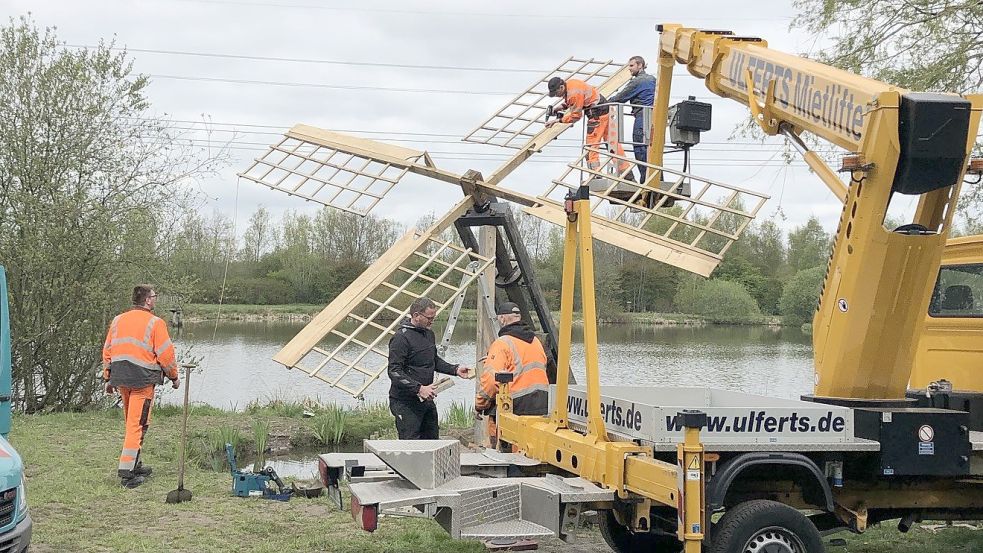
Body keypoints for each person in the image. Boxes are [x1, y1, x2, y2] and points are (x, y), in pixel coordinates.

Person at [102, 285, 179, 489]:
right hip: (142, 381)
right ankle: (127, 473)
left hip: (121, 378)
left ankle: (135, 464)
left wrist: (108, 377)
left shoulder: (118, 320)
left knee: (132, 422)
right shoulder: (155, 323)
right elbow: (166, 355)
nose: (155, 299)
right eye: (154, 296)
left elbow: (108, 350)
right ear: (147, 300)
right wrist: (174, 377)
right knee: (137, 425)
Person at [387, 297, 471, 440]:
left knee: (432, 442)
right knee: (411, 446)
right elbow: (394, 371)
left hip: (426, 399)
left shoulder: (429, 334)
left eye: (434, 317)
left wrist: (455, 369)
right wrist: (419, 388)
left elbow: (433, 360)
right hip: (405, 402)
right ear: (416, 316)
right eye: (429, 318)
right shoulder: (401, 338)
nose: (432, 321)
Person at [475, 302, 550, 445]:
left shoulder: (502, 343)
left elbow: (491, 382)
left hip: (514, 406)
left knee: (508, 452)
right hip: (542, 403)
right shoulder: (536, 341)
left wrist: (480, 404)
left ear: (502, 319)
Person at [546, 76, 633, 180]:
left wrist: (557, 121)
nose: (556, 96)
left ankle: (595, 175)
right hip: (606, 111)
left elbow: (575, 116)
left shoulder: (573, 94)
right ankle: (627, 174)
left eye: (556, 93)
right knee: (613, 144)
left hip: (597, 116)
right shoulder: (572, 83)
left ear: (561, 87)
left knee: (591, 147)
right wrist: (558, 108)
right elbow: (575, 99)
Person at [608, 55, 656, 182]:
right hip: (654, 118)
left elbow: (621, 97)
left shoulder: (637, 81)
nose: (629, 69)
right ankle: (657, 179)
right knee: (653, 151)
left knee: (640, 149)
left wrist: (605, 102)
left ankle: (645, 180)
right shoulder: (653, 79)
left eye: (631, 66)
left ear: (640, 65)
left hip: (642, 117)